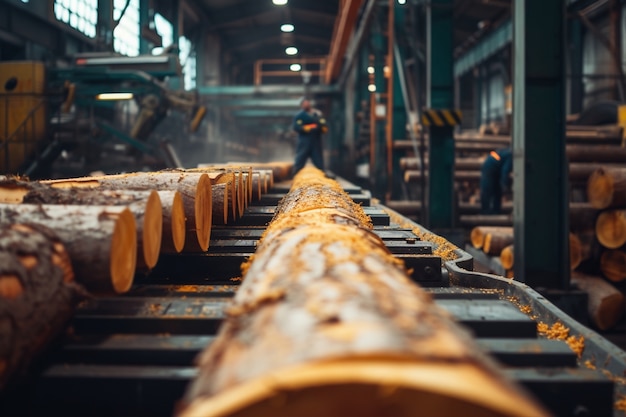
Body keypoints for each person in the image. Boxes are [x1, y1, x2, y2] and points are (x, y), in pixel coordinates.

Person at [292, 97, 327, 174]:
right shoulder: (299, 116)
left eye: (307, 103)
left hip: (316, 140)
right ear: (301, 105)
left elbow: (322, 123)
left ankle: (322, 173)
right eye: (304, 104)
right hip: (304, 141)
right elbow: (296, 127)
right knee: (300, 158)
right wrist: (304, 128)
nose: (306, 105)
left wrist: (323, 127)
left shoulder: (317, 114)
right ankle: (295, 174)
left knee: (318, 159)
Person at [480, 147, 512, 214]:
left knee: (497, 192)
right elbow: (505, 171)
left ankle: (495, 211)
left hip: (494, 166)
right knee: (488, 190)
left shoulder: (509, 152)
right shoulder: (511, 156)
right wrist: (505, 186)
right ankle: (485, 212)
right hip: (490, 167)